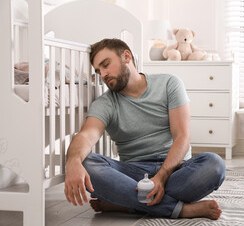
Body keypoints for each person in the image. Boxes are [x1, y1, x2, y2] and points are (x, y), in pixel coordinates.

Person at [64, 38, 226, 220]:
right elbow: (86, 135)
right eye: (98, 71)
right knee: (87, 163)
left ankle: (128, 204)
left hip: (175, 169)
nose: (103, 74)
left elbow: (182, 137)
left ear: (127, 56)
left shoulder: (169, 83)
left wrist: (162, 177)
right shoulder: (105, 103)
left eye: (106, 65)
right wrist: (73, 162)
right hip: (133, 175)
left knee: (214, 164)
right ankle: (181, 210)